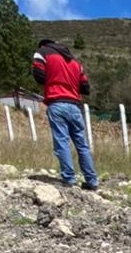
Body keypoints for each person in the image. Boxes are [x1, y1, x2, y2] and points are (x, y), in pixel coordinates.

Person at [32, 38, 98, 190]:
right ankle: (92, 181)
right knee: (82, 145)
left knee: (62, 142)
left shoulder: (42, 52)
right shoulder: (75, 61)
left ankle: (69, 179)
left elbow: (38, 75)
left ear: (43, 44)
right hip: (75, 106)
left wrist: (54, 80)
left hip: (57, 103)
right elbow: (85, 87)